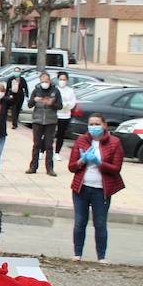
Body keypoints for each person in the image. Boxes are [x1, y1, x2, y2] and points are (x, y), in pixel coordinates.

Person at [69, 113, 125, 262]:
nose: (94, 127)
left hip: (101, 190)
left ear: (104, 125)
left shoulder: (114, 142)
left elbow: (116, 168)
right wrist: (82, 161)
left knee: (100, 223)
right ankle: (77, 254)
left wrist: (99, 162)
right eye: (91, 124)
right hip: (81, 188)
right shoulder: (82, 140)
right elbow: (71, 167)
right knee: (80, 221)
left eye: (97, 124)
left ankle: (101, 256)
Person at [25, 71, 60, 176]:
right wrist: (35, 100)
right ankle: (33, 167)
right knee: (36, 144)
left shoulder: (55, 91)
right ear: (40, 81)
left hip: (50, 121)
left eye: (46, 80)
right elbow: (30, 105)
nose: (45, 82)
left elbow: (60, 106)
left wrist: (52, 103)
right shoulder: (36, 90)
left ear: (50, 81)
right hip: (38, 120)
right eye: (43, 80)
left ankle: (49, 168)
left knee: (49, 145)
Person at [53, 71, 78, 153]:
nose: (62, 81)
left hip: (65, 115)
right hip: (54, 114)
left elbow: (72, 103)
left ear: (67, 80)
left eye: (64, 79)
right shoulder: (54, 89)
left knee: (61, 134)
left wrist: (65, 104)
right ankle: (43, 150)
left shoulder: (70, 91)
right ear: (58, 79)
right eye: (61, 79)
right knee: (50, 133)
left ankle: (57, 152)